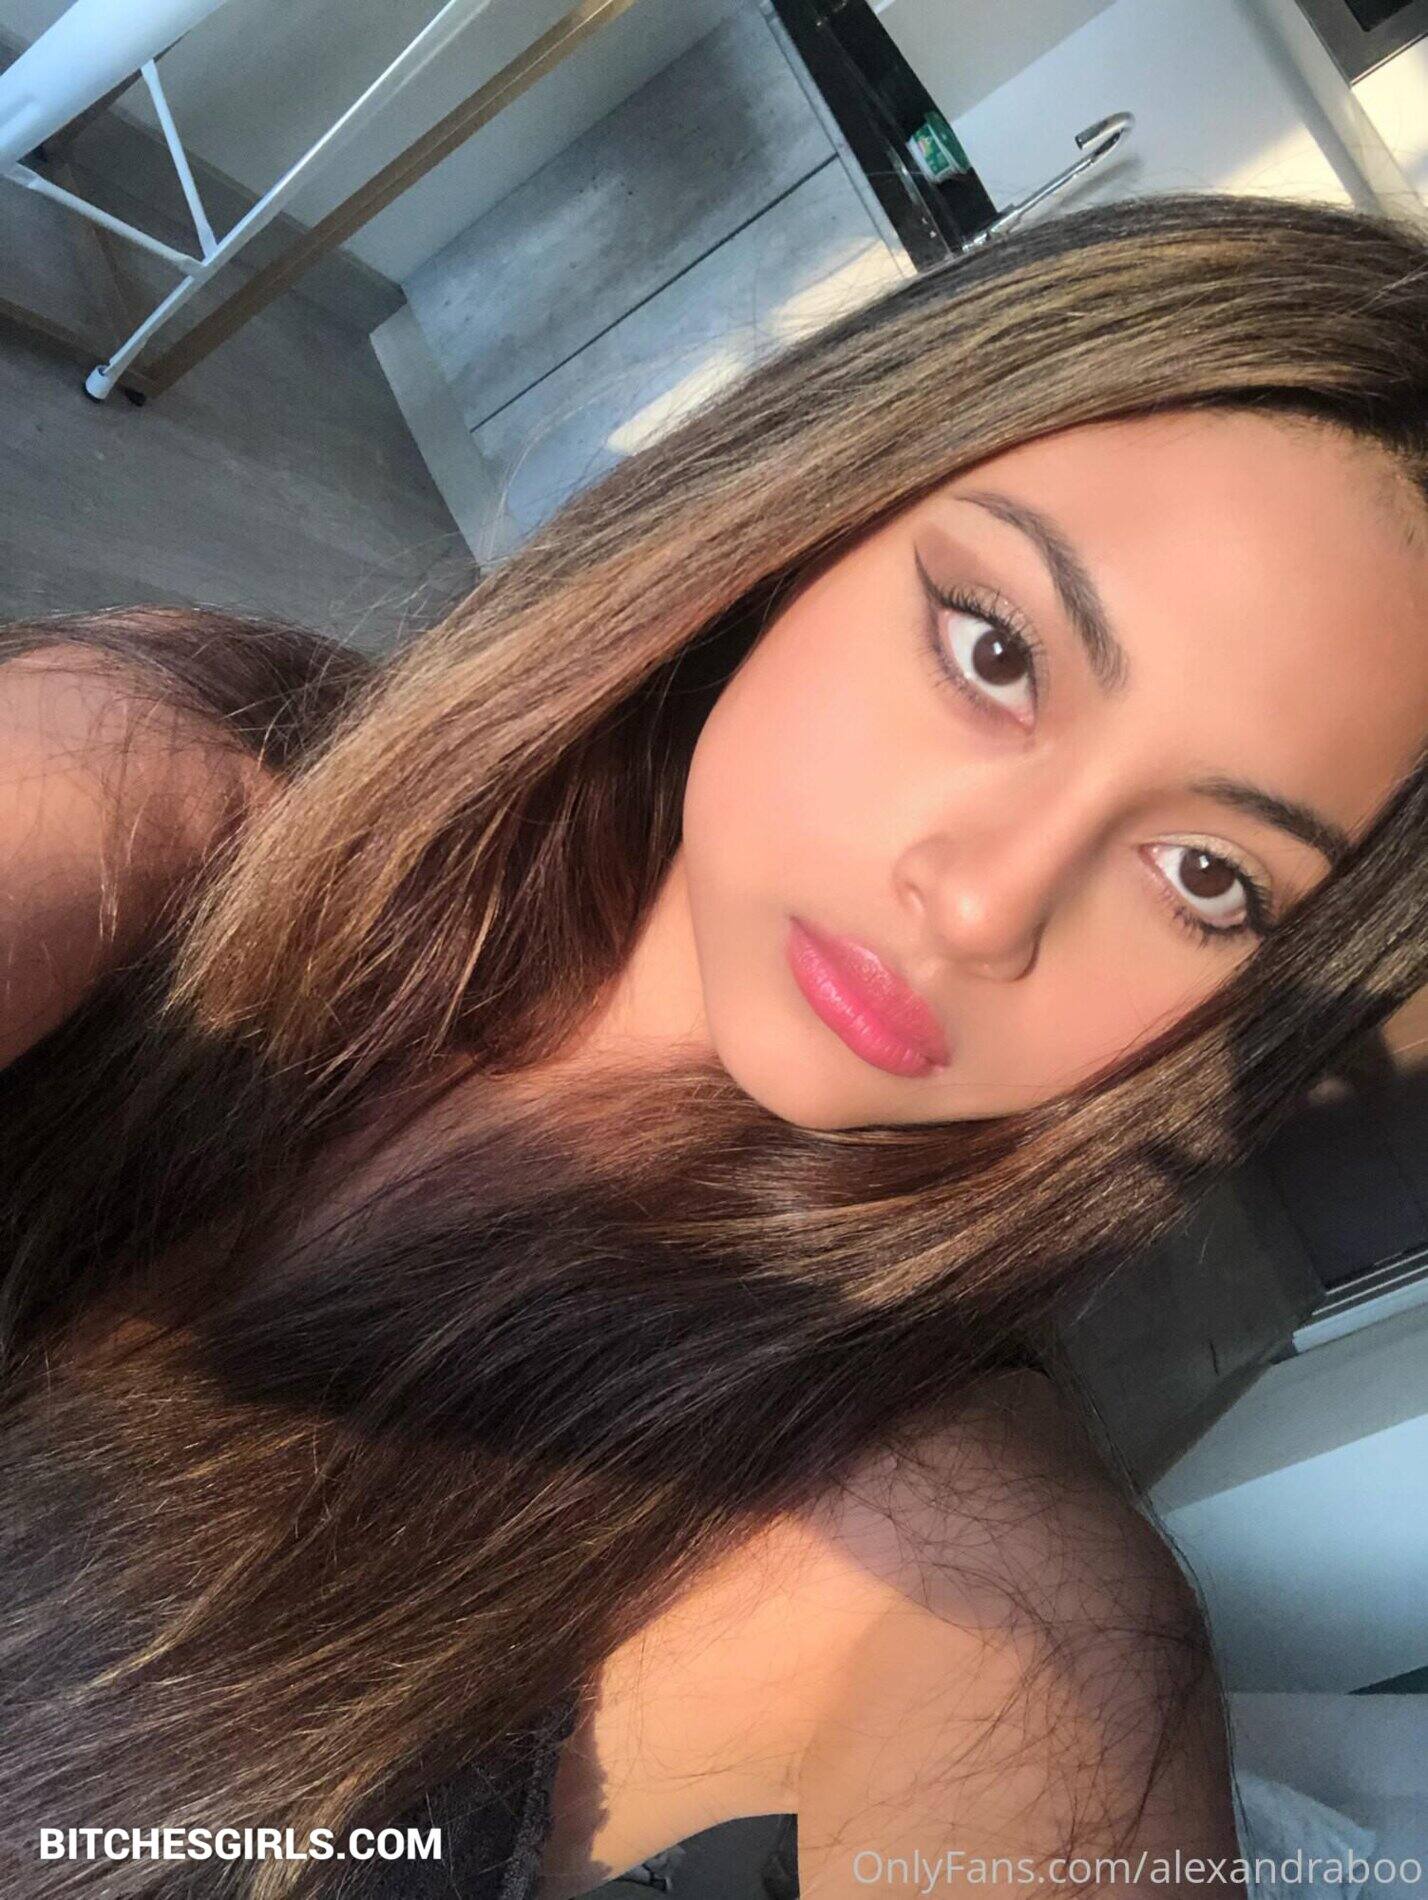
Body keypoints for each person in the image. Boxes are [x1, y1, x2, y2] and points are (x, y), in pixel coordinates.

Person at [1, 189, 1426, 1900]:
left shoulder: (964, 1582)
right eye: (996, 652)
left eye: (1206, 875)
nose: (985, 906)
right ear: (809, 520)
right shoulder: (147, 788)